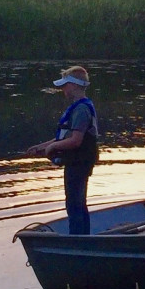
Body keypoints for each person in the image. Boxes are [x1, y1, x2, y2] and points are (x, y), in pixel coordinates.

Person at [27, 66, 99, 235]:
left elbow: (75, 141)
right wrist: (42, 146)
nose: (63, 89)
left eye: (65, 85)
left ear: (74, 85)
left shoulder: (81, 109)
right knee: (78, 203)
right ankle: (83, 239)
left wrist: (52, 147)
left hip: (78, 164)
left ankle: (77, 241)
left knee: (74, 205)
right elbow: (65, 137)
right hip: (78, 162)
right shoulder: (80, 107)